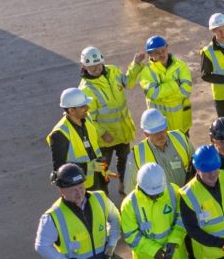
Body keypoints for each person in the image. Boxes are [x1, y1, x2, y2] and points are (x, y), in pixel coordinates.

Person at [78, 46, 136, 196]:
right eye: (92, 67)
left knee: (125, 160)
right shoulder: (86, 90)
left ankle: (124, 183)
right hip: (105, 139)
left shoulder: (113, 71)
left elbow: (127, 82)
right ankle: (103, 194)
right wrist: (102, 133)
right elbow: (88, 118)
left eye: (98, 65)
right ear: (84, 66)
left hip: (122, 131)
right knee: (102, 167)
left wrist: (136, 65)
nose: (96, 69)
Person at [35, 163, 121, 258]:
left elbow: (115, 217)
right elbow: (42, 246)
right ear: (61, 190)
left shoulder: (100, 198)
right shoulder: (53, 216)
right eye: (73, 190)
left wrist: (112, 241)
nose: (79, 193)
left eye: (81, 187)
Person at [180, 146, 224, 258]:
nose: (213, 174)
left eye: (215, 169)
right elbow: (192, 229)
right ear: (197, 169)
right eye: (207, 171)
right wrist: (221, 243)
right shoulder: (188, 194)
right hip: (211, 255)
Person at [130, 36, 195, 136]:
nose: (161, 54)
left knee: (184, 150)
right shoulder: (146, 72)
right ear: (150, 55)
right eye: (156, 52)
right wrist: (175, 84)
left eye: (163, 50)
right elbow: (153, 94)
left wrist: (163, 95)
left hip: (181, 124)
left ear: (167, 49)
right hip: (160, 128)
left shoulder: (180, 65)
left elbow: (186, 90)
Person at [121, 163, 187, 259]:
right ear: (141, 187)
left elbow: (182, 219)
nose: (156, 196)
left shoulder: (173, 191)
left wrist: (174, 241)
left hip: (176, 254)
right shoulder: (129, 204)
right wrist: (154, 251)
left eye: (159, 193)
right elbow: (131, 236)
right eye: (151, 194)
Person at [124, 109, 195, 195]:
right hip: (161, 206)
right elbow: (131, 191)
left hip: (187, 197)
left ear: (166, 127)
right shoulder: (136, 155)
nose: (160, 136)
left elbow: (196, 167)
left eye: (162, 130)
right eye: (155, 133)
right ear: (146, 134)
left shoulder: (180, 138)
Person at [48, 88, 106, 192]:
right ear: (71, 110)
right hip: (80, 187)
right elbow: (61, 169)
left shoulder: (87, 118)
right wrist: (89, 167)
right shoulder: (59, 134)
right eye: (83, 106)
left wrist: (102, 168)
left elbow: (93, 148)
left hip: (99, 178)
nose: (87, 108)